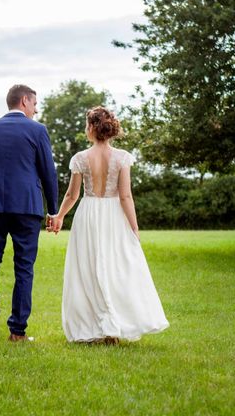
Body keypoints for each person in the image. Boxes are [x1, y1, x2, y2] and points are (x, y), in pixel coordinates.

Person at [49, 106, 169, 344]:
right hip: (114, 214)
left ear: (92, 128)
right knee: (116, 267)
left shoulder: (80, 158)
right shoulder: (122, 157)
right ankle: (112, 327)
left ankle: (97, 326)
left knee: (89, 269)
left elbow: (72, 195)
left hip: (89, 213)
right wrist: (133, 227)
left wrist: (60, 215)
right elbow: (126, 196)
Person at [0, 84, 58, 342]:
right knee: (24, 267)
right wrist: (53, 209)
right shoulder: (38, 130)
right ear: (25, 101)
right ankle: (17, 332)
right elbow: (48, 172)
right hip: (27, 207)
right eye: (35, 104)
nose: (36, 110)